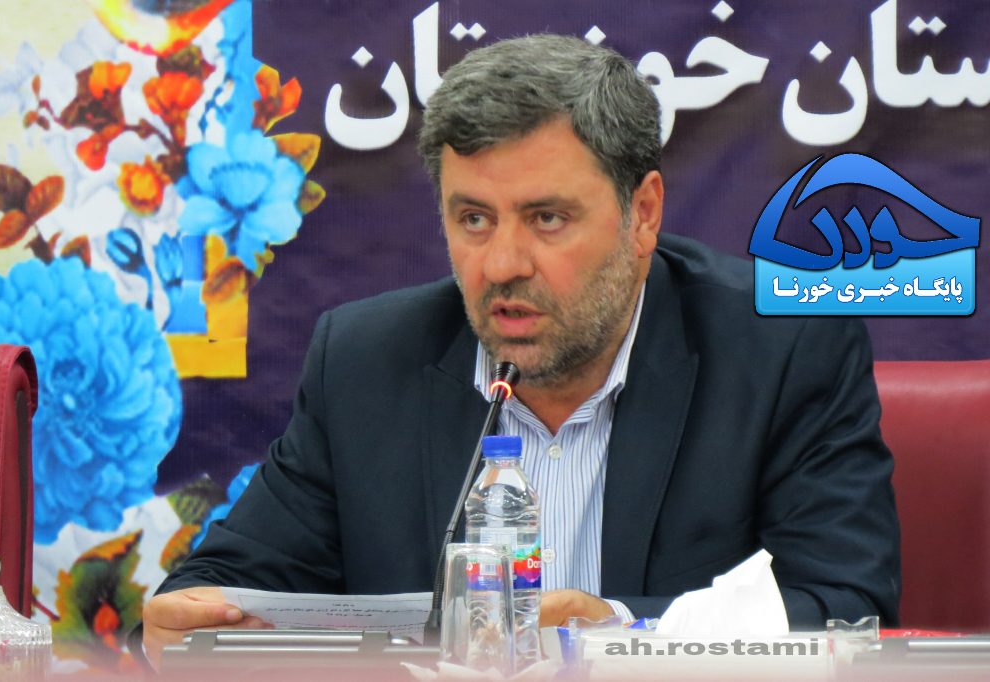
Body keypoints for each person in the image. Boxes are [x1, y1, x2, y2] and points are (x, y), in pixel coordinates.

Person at [143, 34, 900, 665]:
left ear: (642, 214)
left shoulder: (784, 349)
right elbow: (232, 580)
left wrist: (617, 633)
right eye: (473, 219)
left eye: (546, 219)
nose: (502, 264)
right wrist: (195, 620)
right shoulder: (365, 362)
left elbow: (845, 612)